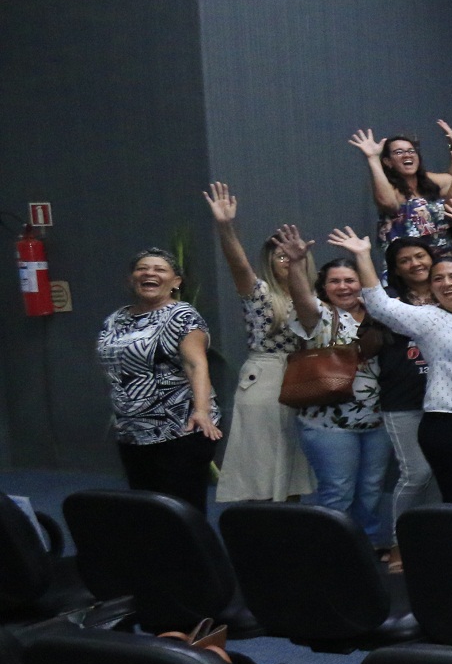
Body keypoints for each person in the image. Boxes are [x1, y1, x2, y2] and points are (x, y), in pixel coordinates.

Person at [336, 229, 452, 508]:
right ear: (431, 288)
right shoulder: (429, 318)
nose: (447, 283)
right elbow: (380, 306)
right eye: (438, 279)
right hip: (450, 423)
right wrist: (362, 255)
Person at [275, 232, 392, 553]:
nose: (344, 287)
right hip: (328, 424)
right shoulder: (320, 316)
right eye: (335, 281)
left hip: (378, 422)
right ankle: (333, 554)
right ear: (324, 287)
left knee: (371, 491)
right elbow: (302, 299)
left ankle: (367, 546)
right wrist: (296, 264)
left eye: (350, 280)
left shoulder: (380, 314)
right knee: (338, 491)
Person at [202, 182, 315, 504]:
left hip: (304, 379)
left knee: (293, 467)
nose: (286, 261)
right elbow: (238, 265)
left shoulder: (316, 298)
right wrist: (225, 227)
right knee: (260, 464)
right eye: (280, 256)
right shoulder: (260, 292)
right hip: (264, 377)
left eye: (292, 256)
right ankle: (258, 525)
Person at [98, 248, 223, 509]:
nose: (149, 273)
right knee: (147, 512)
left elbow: (196, 364)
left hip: (179, 430)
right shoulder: (115, 320)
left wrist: (201, 411)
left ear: (176, 282)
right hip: (132, 432)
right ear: (131, 279)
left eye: (159, 269)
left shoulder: (182, 316)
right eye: (142, 268)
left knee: (180, 512)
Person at [375, 236, 440, 534]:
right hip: (403, 399)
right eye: (405, 260)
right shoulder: (388, 301)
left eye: (419, 256)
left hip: (445, 400)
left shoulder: (449, 291)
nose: (415, 264)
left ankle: (430, 536)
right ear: (396, 270)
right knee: (417, 473)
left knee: (438, 473)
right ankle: (398, 539)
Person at [349, 127, 452, 259]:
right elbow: (389, 204)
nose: (407, 155)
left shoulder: (432, 181)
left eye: (411, 151)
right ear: (388, 162)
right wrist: (373, 158)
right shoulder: (389, 189)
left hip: (443, 260)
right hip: (406, 262)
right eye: (399, 152)